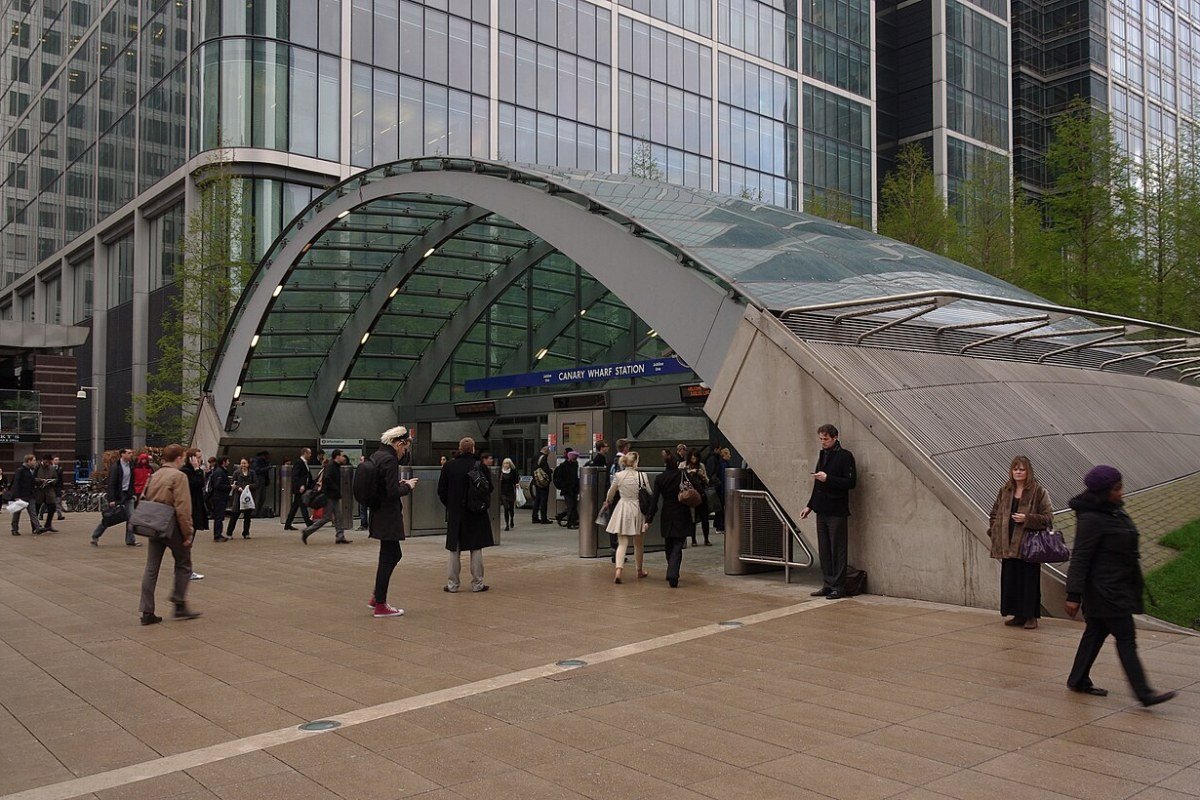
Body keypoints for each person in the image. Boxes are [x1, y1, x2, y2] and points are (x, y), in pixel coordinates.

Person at [1064, 465, 1176, 707]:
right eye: (1116, 489)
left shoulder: (1113, 510)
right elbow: (1080, 557)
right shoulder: (1092, 519)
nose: (1121, 492)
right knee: (1126, 637)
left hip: (1117, 585)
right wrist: (1073, 595)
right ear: (1104, 492)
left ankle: (1077, 679)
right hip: (1105, 591)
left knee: (1095, 633)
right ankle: (1144, 693)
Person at [137, 444, 201, 625]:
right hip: (172, 525)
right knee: (184, 563)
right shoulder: (178, 476)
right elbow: (183, 507)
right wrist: (188, 532)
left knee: (151, 568)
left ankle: (147, 610)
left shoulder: (155, 475)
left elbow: (143, 497)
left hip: (154, 524)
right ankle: (179, 602)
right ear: (179, 458)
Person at [988, 456, 1053, 629]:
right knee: (1011, 580)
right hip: (1008, 545)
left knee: (1029, 581)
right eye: (1015, 469)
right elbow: (994, 513)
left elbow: (1048, 518)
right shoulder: (1005, 490)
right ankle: (1017, 614)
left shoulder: (1038, 492)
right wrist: (994, 531)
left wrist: (1027, 519)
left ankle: (1031, 616)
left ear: (1028, 472)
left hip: (1028, 546)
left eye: (1022, 469)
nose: (1018, 472)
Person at [800, 424, 858, 600]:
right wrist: (809, 506)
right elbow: (818, 484)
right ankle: (828, 584)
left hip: (837, 510)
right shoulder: (823, 454)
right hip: (822, 508)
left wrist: (828, 478)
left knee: (838, 548)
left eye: (826, 439)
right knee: (824, 549)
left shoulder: (845, 456)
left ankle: (838, 587)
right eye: (821, 439)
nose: (823, 442)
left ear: (835, 438)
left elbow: (850, 482)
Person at [367, 426, 418, 617]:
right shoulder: (389, 460)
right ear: (398, 443)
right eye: (404, 447)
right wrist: (407, 486)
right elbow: (391, 493)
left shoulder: (377, 455)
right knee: (389, 556)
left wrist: (398, 485)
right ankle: (380, 604)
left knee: (392, 555)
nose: (404, 452)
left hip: (379, 514)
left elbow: (383, 486)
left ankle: (377, 597)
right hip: (388, 516)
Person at [438, 439, 494, 593]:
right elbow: (489, 488)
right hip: (476, 512)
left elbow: (441, 491)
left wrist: (451, 505)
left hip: (456, 513)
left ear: (460, 448)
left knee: (454, 549)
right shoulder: (480, 466)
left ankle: (452, 585)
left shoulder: (449, 466)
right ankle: (477, 584)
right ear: (473, 449)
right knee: (476, 548)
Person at [646, 453, 691, 588]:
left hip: (666, 513)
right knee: (678, 544)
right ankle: (673, 572)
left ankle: (671, 569)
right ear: (677, 463)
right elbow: (696, 489)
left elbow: (654, 500)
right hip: (681, 512)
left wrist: (649, 518)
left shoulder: (660, 478)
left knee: (668, 543)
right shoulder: (682, 476)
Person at [604, 451, 649, 583]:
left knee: (622, 543)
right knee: (638, 544)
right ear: (636, 462)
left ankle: (618, 570)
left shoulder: (618, 475)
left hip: (623, 508)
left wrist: (608, 501)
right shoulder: (642, 475)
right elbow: (649, 492)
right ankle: (639, 570)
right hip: (637, 509)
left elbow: (610, 493)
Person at [91, 448, 139, 546]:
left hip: (128, 495)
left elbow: (132, 481)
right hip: (118, 495)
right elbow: (111, 484)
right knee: (110, 516)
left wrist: (133, 493)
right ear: (122, 454)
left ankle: (130, 540)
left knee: (131, 517)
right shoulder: (116, 467)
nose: (131, 455)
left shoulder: (131, 465)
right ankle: (95, 536)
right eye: (129, 453)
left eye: (131, 453)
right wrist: (111, 499)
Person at [302, 449, 350, 544]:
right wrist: (335, 489)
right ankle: (307, 531)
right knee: (326, 517)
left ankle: (340, 536)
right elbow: (327, 479)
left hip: (334, 495)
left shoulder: (335, 466)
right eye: (341, 456)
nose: (343, 458)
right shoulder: (331, 466)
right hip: (330, 496)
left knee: (338, 516)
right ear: (337, 456)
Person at [684, 448, 711, 546]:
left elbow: (707, 481)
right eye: (692, 457)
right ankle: (693, 539)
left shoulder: (701, 466)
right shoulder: (684, 466)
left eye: (695, 457)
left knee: (704, 518)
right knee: (692, 518)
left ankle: (706, 539)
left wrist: (701, 475)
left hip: (701, 494)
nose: (693, 459)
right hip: (690, 495)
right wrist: (689, 473)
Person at [10, 454, 42, 535]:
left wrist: (39, 481)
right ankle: (14, 529)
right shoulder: (20, 470)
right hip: (22, 496)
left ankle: (38, 528)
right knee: (17, 513)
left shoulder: (31, 470)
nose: (35, 462)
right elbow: (16, 483)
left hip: (30, 495)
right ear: (29, 461)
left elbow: (31, 482)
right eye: (34, 460)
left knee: (33, 513)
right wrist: (16, 496)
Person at [284, 447, 313, 530]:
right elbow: (295, 475)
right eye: (309, 453)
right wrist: (300, 485)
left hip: (302, 487)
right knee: (303, 506)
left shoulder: (305, 463)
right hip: (300, 489)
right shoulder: (299, 463)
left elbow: (307, 476)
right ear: (305, 453)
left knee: (295, 506)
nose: (310, 455)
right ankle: (308, 523)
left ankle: (288, 524)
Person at [230, 458, 258, 538]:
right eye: (242, 463)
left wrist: (249, 486)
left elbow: (256, 484)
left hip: (248, 497)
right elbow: (233, 483)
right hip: (238, 496)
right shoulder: (236, 473)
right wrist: (238, 488)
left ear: (248, 464)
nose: (243, 465)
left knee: (247, 517)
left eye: (245, 463)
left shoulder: (252, 473)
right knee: (234, 515)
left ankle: (246, 533)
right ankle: (229, 533)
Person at [554, 448, 580, 528]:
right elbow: (559, 478)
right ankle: (570, 523)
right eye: (574, 458)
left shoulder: (575, 465)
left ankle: (561, 516)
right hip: (567, 489)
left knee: (573, 506)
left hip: (574, 489)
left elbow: (575, 477)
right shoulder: (563, 466)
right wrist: (564, 485)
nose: (575, 459)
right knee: (571, 506)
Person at [208, 456, 233, 541]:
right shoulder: (219, 472)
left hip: (221, 497)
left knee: (220, 516)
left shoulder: (221, 471)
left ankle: (219, 534)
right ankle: (217, 535)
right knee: (218, 517)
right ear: (223, 462)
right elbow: (217, 485)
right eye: (227, 461)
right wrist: (229, 487)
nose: (229, 462)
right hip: (219, 497)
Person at [33, 454, 59, 532]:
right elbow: (32, 478)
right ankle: (35, 527)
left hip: (49, 492)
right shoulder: (37, 467)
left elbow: (56, 478)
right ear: (43, 460)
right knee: (36, 510)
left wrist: (52, 481)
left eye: (49, 462)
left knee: (52, 508)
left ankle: (48, 525)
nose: (48, 463)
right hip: (39, 491)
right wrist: (40, 480)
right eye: (47, 462)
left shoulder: (52, 468)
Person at [532, 446, 552, 524]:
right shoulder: (543, 457)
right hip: (543, 482)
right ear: (546, 451)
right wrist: (551, 470)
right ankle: (544, 518)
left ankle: (534, 517)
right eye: (548, 452)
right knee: (544, 500)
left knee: (537, 499)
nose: (549, 454)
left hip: (536, 480)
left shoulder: (535, 456)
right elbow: (545, 469)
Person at [499, 457, 519, 531]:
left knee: (511, 508)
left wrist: (516, 484)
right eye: (504, 463)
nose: (506, 465)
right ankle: (507, 524)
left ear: (510, 464)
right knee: (505, 508)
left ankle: (512, 519)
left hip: (510, 491)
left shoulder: (513, 471)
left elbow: (516, 479)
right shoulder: (501, 472)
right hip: (503, 492)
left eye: (507, 463)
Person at [250, 451, 272, 517]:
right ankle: (254, 513)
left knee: (261, 497)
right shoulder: (257, 461)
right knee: (258, 497)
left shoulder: (262, 461)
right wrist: (267, 468)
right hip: (259, 480)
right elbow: (257, 470)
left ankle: (256, 512)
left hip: (262, 480)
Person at [51, 455, 66, 521]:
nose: (57, 461)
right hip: (51, 487)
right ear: (52, 461)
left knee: (58, 501)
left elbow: (61, 479)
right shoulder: (50, 468)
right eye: (56, 460)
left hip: (58, 487)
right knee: (47, 502)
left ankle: (59, 515)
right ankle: (41, 513)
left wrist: (62, 488)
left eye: (58, 460)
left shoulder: (60, 468)